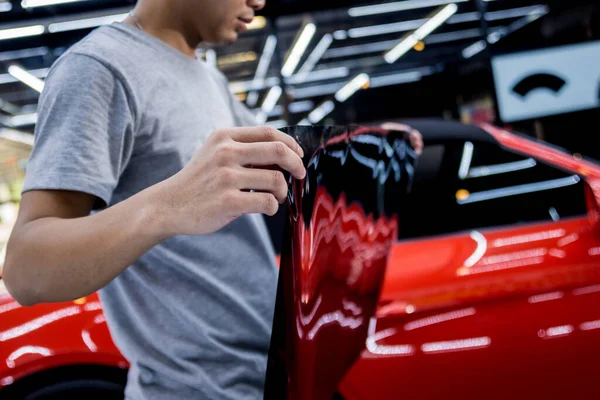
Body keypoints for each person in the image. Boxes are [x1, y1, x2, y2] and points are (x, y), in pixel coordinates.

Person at [3, 0, 424, 399]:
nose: (259, 2)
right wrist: (169, 204)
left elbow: (285, 165)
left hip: (267, 377)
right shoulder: (99, 69)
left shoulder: (208, 77)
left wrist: (374, 150)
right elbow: (26, 269)